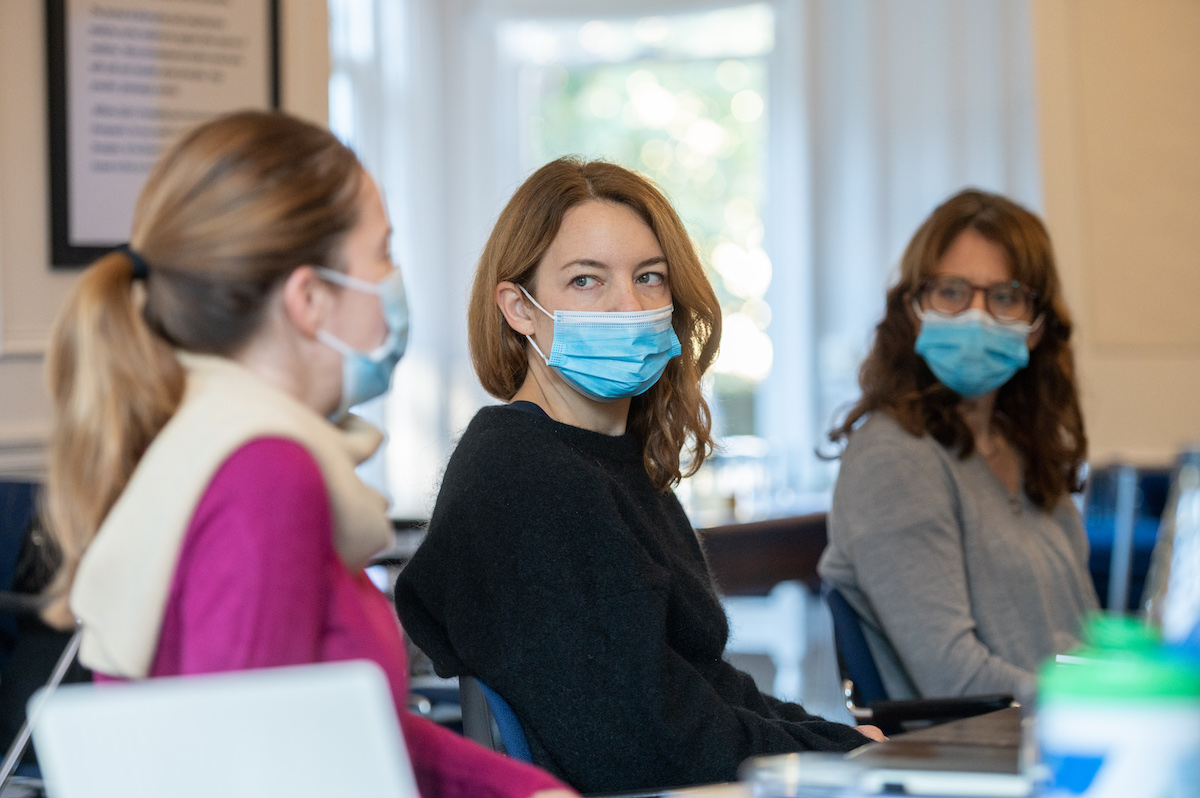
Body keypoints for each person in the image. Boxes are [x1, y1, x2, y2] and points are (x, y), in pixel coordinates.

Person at [41, 110, 572, 798]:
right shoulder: (265, 472)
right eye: (382, 253)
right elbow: (252, 778)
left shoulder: (204, 441)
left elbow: (341, 731)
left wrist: (527, 791)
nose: (394, 280)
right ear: (311, 298)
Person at [393, 157, 879, 795]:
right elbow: (649, 744)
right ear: (520, 308)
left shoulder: (612, 460)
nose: (630, 305)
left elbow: (703, 684)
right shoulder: (525, 480)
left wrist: (849, 747)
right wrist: (837, 761)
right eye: (587, 281)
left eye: (650, 277)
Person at [818, 188, 1100, 701]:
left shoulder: (1026, 451)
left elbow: (1081, 639)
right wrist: (1095, 706)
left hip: (1062, 747)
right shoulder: (895, 456)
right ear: (914, 308)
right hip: (978, 756)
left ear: (1036, 327)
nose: (977, 315)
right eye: (952, 291)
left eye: (1004, 296)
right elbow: (954, 677)